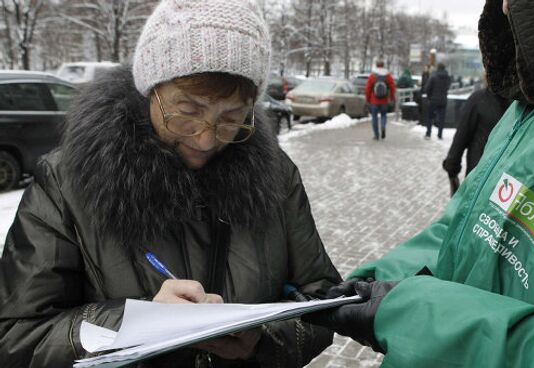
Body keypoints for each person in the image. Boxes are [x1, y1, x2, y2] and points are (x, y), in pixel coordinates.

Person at [304, 0, 534, 366]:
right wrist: (372, 285)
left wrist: (414, 315)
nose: (503, 7)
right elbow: (462, 229)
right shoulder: (530, 103)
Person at [0, 0, 342, 367]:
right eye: (188, 112)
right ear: (152, 90)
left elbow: (321, 299)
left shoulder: (277, 175)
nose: (206, 139)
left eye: (231, 117)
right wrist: (133, 324)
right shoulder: (66, 182)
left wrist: (266, 339)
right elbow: (18, 336)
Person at [442, 86, 510, 195]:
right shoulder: (523, 106)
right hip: (507, 183)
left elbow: (462, 135)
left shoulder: (479, 99)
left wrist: (452, 167)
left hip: (478, 174)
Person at [365, 59, 396, 140]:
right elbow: (392, 87)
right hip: (384, 100)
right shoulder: (387, 75)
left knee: (374, 117)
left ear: (376, 65)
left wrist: (367, 99)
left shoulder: (373, 76)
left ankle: (376, 135)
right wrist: (392, 97)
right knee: (383, 115)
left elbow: (368, 88)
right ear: (383, 65)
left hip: (374, 100)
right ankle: (383, 126)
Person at [423, 63, 452, 139]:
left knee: (430, 117)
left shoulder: (433, 76)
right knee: (441, 118)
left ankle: (428, 133)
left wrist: (429, 97)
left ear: (437, 68)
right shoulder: (448, 77)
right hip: (443, 100)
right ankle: (440, 134)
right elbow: (448, 87)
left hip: (433, 100)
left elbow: (427, 89)